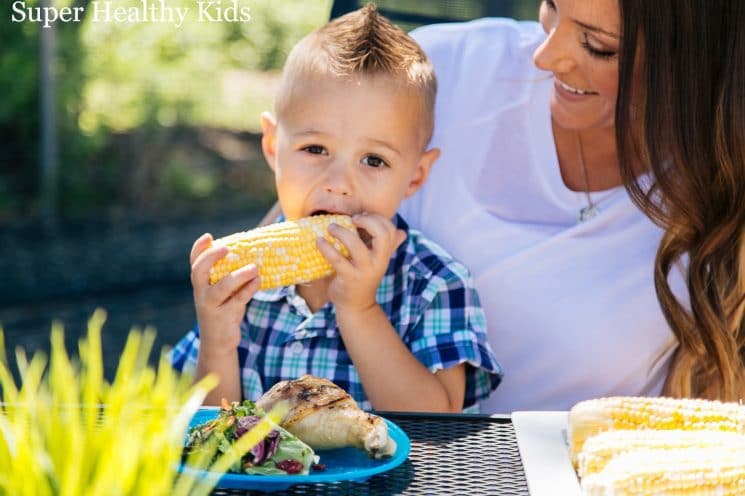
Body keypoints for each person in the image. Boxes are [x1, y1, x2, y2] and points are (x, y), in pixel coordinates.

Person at [398, 0, 745, 412]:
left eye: (598, 46)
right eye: (550, 6)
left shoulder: (724, 182)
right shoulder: (436, 71)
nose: (545, 56)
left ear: (694, 58)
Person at [170, 5, 502, 412]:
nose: (338, 183)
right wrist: (218, 339)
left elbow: (437, 424)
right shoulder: (241, 283)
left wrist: (358, 308)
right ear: (274, 146)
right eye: (315, 149)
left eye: (374, 160)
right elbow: (204, 431)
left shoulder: (435, 284)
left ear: (415, 176)